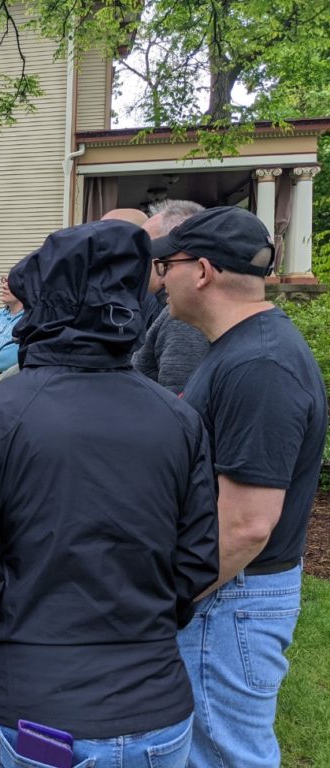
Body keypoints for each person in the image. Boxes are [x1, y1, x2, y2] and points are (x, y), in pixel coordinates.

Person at [0, 219, 219, 768]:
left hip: (33, 702)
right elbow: (196, 565)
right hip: (151, 709)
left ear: (40, 304)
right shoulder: (180, 420)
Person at [153, 206, 328, 767]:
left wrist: (169, 600)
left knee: (224, 756)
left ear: (201, 270)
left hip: (232, 601)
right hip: (227, 595)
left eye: (166, 263)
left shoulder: (260, 365)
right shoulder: (240, 348)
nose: (159, 278)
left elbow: (247, 525)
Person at [133, 200, 210, 392]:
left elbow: (179, 408)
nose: (138, 262)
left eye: (145, 252)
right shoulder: (171, 306)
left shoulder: (185, 316)